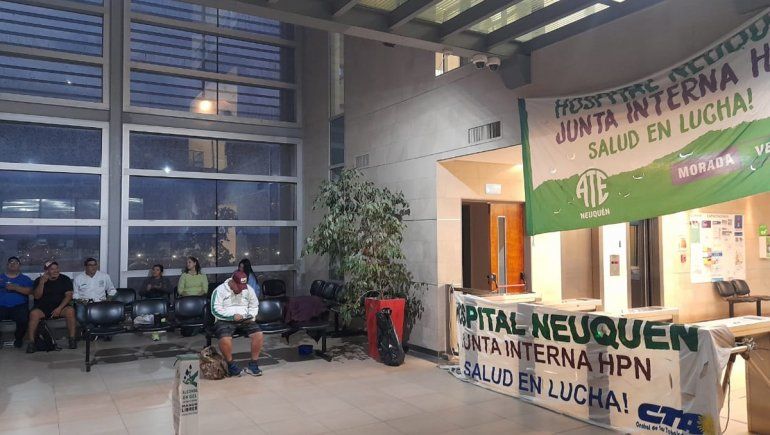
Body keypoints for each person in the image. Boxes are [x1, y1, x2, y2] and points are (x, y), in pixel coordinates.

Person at [211, 271, 263, 377]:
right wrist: (232, 317)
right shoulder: (219, 290)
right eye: (238, 286)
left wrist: (250, 316)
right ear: (232, 282)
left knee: (258, 335)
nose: (241, 289)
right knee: (225, 339)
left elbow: (254, 306)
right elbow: (215, 310)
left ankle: (253, 364)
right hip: (224, 320)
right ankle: (231, 365)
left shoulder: (248, 289)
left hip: (245, 319)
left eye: (243, 287)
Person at [27, 261, 76, 353]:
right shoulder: (39, 280)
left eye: (57, 268)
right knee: (33, 314)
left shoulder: (65, 279)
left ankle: (72, 339)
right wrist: (42, 283)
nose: (56, 271)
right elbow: (37, 296)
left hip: (60, 307)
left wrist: (59, 308)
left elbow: (69, 296)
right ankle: (31, 343)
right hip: (43, 309)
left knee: (70, 311)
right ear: (46, 271)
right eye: (52, 269)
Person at [0, 256, 33, 348]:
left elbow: (30, 292)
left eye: (16, 262)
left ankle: (18, 338)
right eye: (11, 262)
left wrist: (16, 288)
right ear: (7, 265)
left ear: (19, 266)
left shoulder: (25, 279)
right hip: (1, 306)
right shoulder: (0, 277)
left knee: (23, 319)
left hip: (19, 306)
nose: (13, 264)